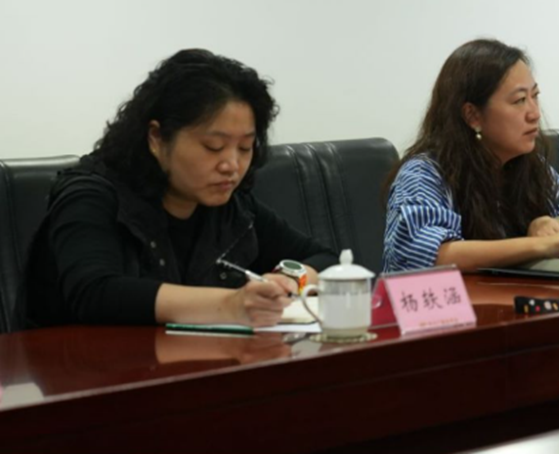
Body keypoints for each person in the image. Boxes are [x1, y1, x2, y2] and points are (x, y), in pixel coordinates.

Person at [26, 49, 335, 328]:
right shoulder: (92, 196)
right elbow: (96, 293)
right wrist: (230, 305)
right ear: (157, 138)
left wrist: (288, 280)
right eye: (213, 146)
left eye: (244, 148)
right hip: (84, 367)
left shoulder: (231, 206)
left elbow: (323, 258)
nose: (232, 165)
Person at [383, 39, 559, 273]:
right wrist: (538, 245)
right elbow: (428, 255)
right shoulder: (424, 173)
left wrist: (557, 225)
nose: (535, 113)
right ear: (473, 116)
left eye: (535, 96)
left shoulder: (530, 166)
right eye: (519, 100)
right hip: (451, 301)